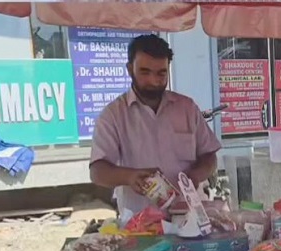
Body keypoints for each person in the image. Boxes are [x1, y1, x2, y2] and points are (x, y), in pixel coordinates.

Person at [90, 34, 221, 215]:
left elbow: (209, 156)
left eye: (161, 73)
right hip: (140, 224)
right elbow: (98, 172)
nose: (153, 81)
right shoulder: (113, 115)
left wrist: (197, 175)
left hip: (191, 216)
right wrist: (129, 177)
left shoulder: (187, 108)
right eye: (145, 72)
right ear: (130, 69)